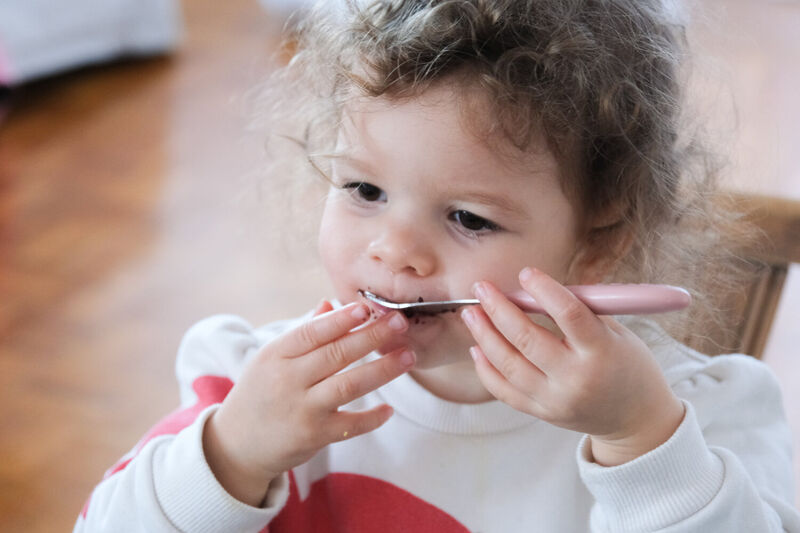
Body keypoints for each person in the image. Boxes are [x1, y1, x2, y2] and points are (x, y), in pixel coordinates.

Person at [74, 0, 800, 531]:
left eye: (468, 217)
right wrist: (231, 454)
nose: (394, 251)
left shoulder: (692, 417)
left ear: (601, 230)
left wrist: (640, 441)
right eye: (364, 190)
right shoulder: (248, 387)